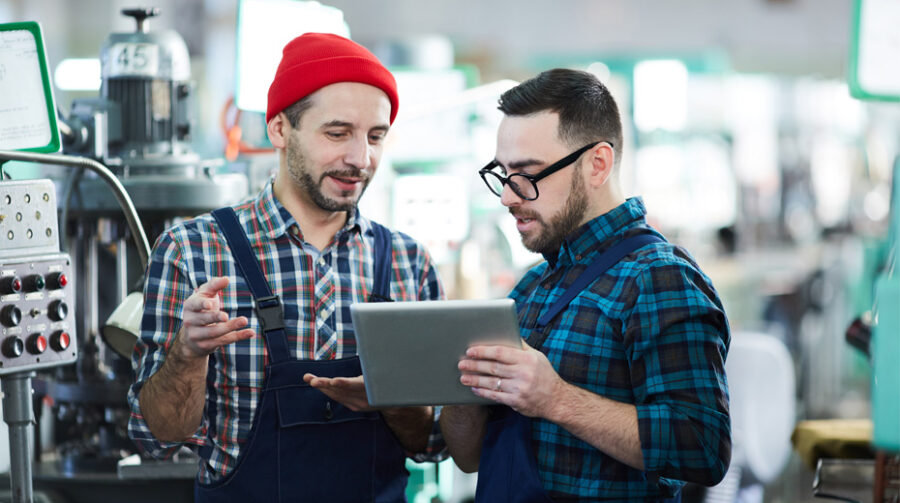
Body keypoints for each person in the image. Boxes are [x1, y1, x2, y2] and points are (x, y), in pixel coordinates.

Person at [127, 33, 445, 502]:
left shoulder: (405, 262)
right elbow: (156, 436)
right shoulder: (193, 249)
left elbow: (430, 444)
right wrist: (188, 354)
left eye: (375, 136)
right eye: (337, 133)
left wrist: (395, 401)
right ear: (279, 129)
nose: (360, 159)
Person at [440, 69, 731, 502]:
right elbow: (468, 459)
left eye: (527, 174)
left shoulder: (658, 278)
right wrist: (457, 389)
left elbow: (703, 449)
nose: (506, 196)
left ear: (598, 164)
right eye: (502, 174)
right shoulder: (531, 287)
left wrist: (555, 398)